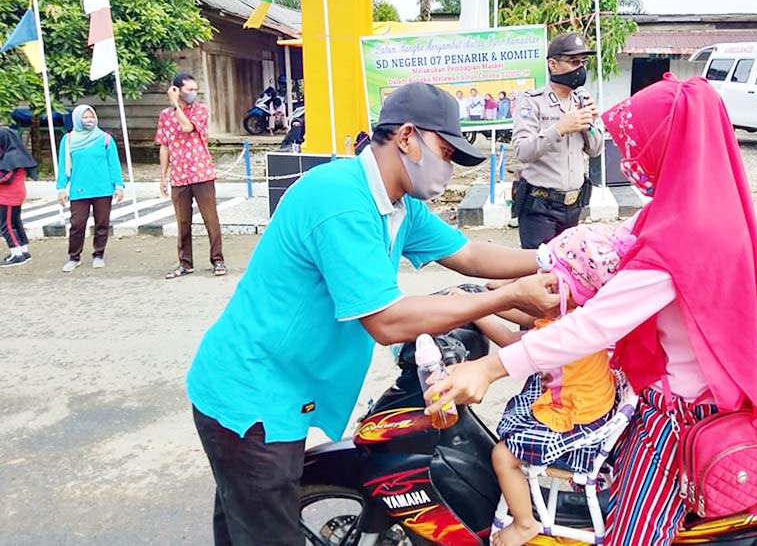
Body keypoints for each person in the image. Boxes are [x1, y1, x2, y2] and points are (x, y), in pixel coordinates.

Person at [186, 83, 561, 546]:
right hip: (251, 397)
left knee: (245, 519)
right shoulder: (340, 199)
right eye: (444, 152)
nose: (447, 166)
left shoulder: (399, 204)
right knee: (265, 528)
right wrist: (506, 298)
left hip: (283, 387)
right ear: (407, 137)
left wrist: (560, 256)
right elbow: (386, 321)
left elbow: (471, 255)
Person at [426, 75, 757, 546]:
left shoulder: (685, 238)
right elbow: (604, 250)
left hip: (678, 421)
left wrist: (490, 368)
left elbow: (593, 325)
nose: (633, 157)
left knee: (627, 536)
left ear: (672, 146)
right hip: (674, 396)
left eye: (640, 144)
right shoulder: (698, 210)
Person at [482, 221, 637, 546]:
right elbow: (529, 315)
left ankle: (524, 523)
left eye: (551, 279)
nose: (542, 283)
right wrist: (498, 294)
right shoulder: (582, 312)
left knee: (502, 455)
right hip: (595, 405)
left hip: (577, 421)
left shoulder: (558, 335)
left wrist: (474, 313)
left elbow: (514, 341)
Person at [512, 33, 604, 249]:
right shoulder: (532, 102)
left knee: (567, 272)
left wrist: (590, 123)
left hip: (574, 206)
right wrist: (559, 128)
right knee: (540, 273)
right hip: (540, 207)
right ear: (553, 64)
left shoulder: (581, 101)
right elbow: (522, 151)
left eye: (583, 62)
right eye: (573, 62)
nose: (580, 68)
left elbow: (596, 150)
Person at [156, 72, 226, 279]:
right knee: (183, 222)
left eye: (195, 90)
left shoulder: (200, 110)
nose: (193, 94)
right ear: (176, 89)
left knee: (210, 219)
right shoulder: (165, 116)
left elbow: (187, 127)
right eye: (189, 90)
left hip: (201, 172)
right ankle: (185, 262)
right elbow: (164, 146)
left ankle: (218, 259)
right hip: (179, 176)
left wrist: (175, 105)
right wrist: (163, 176)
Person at [56, 105, 124, 272]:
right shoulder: (69, 140)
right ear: (77, 119)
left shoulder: (105, 139)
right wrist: (61, 188)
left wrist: (119, 185)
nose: (89, 120)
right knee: (77, 224)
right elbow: (64, 165)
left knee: (102, 223)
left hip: (103, 189)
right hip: (79, 189)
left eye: (91, 117)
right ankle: (74, 257)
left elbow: (113, 164)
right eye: (85, 117)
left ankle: (98, 254)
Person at [0, 127, 38, 268]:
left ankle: (16, 254)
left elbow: (6, 177)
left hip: (8, 196)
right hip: (16, 194)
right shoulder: (16, 153)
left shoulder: (11, 156)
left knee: (6, 225)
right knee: (15, 223)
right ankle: (24, 251)